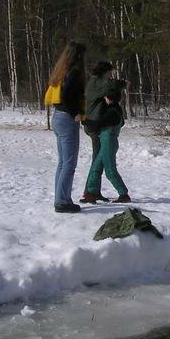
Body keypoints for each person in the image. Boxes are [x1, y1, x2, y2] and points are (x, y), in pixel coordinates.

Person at [46, 41, 86, 213]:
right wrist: (75, 111)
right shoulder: (75, 72)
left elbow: (62, 93)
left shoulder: (61, 71)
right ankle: (62, 202)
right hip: (67, 119)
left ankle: (61, 198)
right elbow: (67, 93)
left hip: (57, 117)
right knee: (69, 163)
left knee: (63, 163)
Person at [80, 61, 126, 202]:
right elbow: (112, 85)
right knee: (97, 161)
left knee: (98, 160)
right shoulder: (97, 82)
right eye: (109, 73)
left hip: (97, 125)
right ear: (104, 72)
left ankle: (94, 191)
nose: (110, 76)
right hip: (95, 126)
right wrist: (123, 83)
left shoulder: (96, 83)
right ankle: (90, 192)